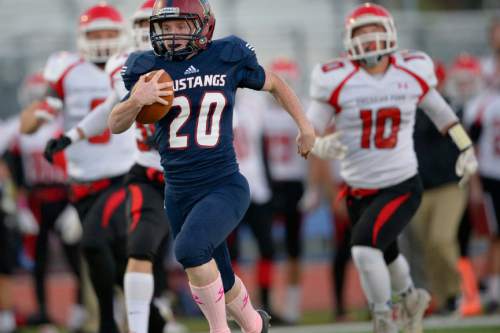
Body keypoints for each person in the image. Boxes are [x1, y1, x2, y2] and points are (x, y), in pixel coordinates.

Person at [107, 0, 337, 332]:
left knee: (190, 250)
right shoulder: (147, 67)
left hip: (223, 184)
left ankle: (220, 329)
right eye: (165, 27)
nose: (170, 35)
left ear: (203, 27)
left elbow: (275, 84)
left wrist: (306, 126)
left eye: (180, 26)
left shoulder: (226, 55)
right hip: (178, 190)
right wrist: (135, 101)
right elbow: (115, 123)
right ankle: (256, 325)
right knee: (221, 276)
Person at [306, 3, 478, 333]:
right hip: (357, 187)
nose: (369, 38)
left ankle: (383, 317)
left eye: (374, 29)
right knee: (386, 254)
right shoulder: (335, 78)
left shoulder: (410, 71)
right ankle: (412, 298)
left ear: (390, 34)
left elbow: (444, 116)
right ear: (348, 38)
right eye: (361, 31)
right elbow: (309, 129)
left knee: (363, 247)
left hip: (401, 183)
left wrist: (466, 149)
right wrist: (319, 145)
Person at [44, 1, 186, 332]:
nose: (141, 32)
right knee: (126, 253)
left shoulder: (185, 63)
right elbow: (113, 108)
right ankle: (152, 320)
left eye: (146, 25)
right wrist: (71, 136)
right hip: (139, 174)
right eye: (137, 25)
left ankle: (146, 317)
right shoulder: (123, 65)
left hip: (164, 175)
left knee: (188, 254)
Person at [20, 4, 137, 333]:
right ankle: (137, 313)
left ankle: (119, 321)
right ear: (82, 37)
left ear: (121, 35)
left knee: (101, 244)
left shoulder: (133, 63)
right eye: (95, 33)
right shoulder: (65, 67)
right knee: (107, 258)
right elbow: (31, 123)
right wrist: (39, 113)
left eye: (108, 33)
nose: (102, 40)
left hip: (126, 175)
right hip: (83, 183)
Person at [12, 72, 84, 328]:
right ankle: (43, 312)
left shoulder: (65, 125)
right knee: (38, 262)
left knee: (75, 257)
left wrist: (76, 205)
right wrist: (20, 206)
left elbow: (79, 165)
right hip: (36, 201)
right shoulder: (19, 129)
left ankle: (79, 308)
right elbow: (14, 170)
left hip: (64, 197)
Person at [261, 58, 307, 324]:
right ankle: (268, 303)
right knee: (267, 246)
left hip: (293, 182)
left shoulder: (302, 110)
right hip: (269, 183)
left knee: (294, 247)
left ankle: (292, 305)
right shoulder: (261, 113)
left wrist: (311, 187)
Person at [230, 89, 277, 318]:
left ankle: (265, 304)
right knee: (230, 253)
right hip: (227, 191)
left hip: (258, 189)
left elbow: (265, 143)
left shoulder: (254, 103)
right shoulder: (212, 98)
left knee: (267, 248)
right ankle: (236, 308)